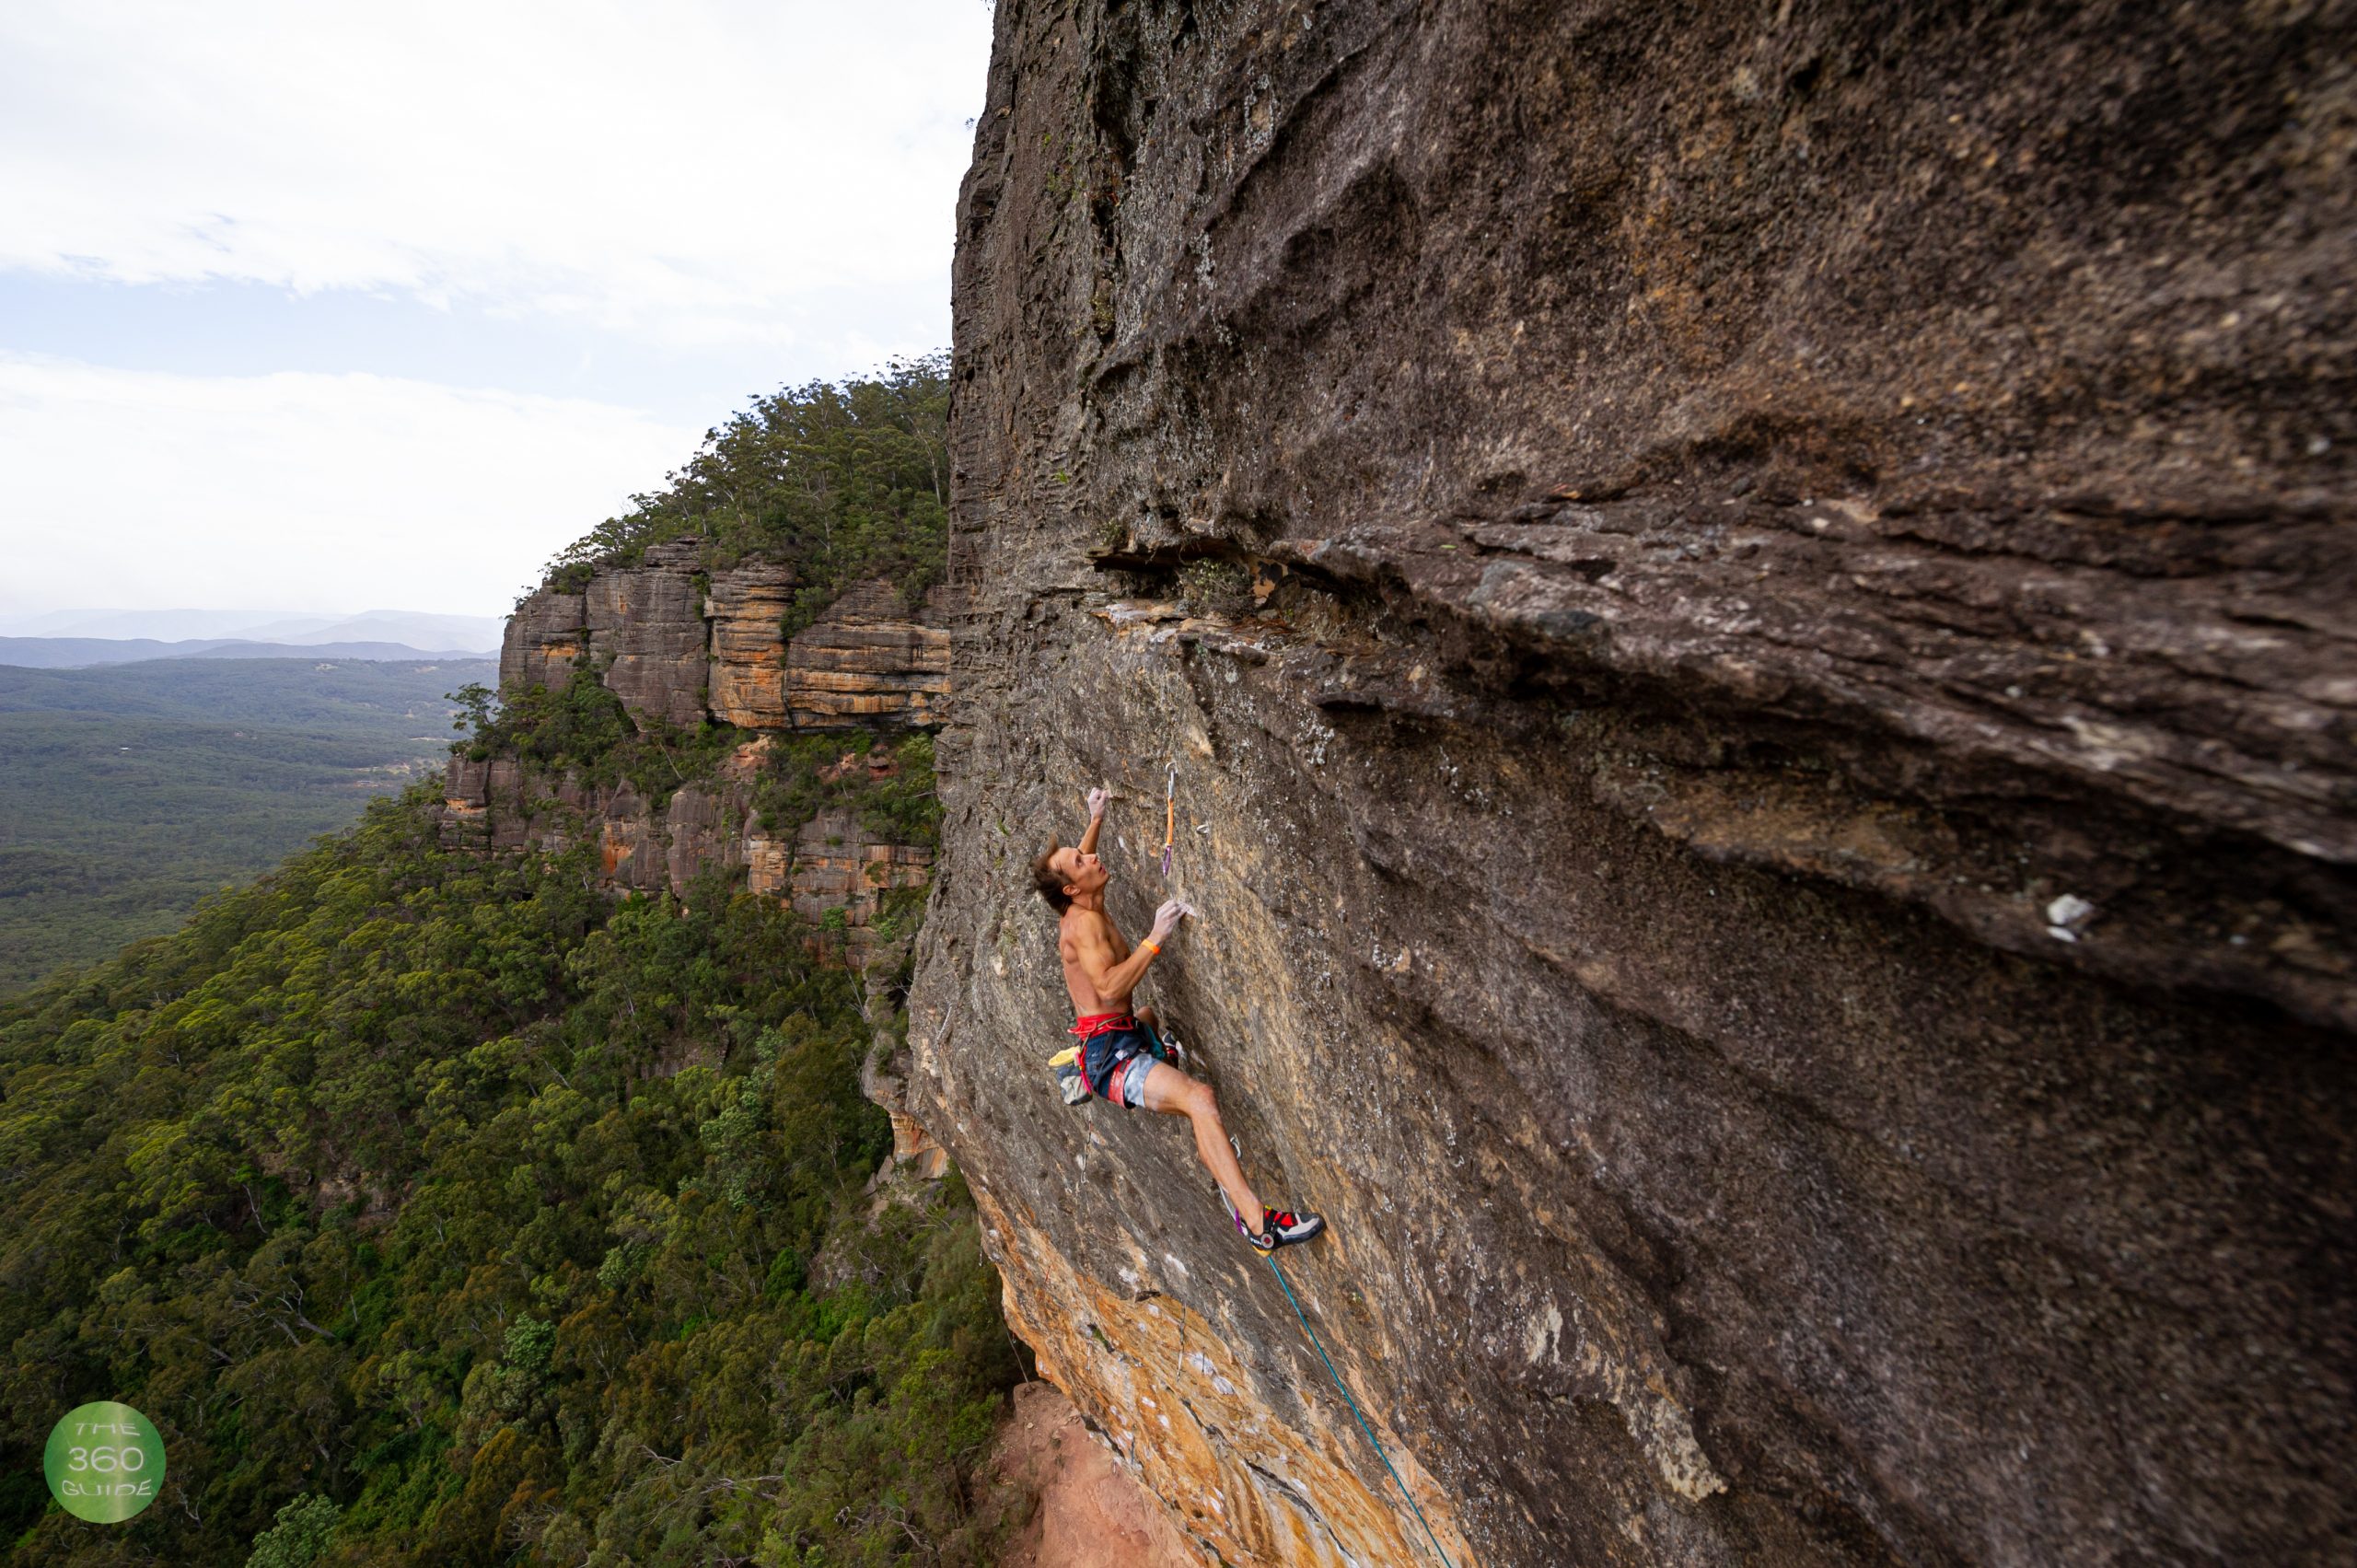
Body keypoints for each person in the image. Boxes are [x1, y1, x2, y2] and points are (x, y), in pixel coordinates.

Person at [1031, 785, 1325, 1252]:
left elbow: (1081, 856)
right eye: (1081, 861)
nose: (1091, 857)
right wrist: (1155, 937)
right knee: (1199, 1100)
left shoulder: (1081, 896)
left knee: (1147, 1017)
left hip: (1120, 1031)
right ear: (1072, 887)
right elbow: (1108, 988)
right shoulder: (1082, 925)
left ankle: (1142, 1052)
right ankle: (1259, 1224)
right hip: (1111, 1057)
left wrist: (1096, 817)